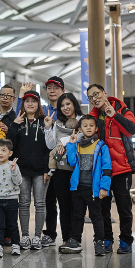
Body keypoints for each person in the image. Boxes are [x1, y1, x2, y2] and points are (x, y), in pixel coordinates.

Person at [87, 83, 135, 254]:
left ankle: (126, 240)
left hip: (122, 168)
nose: (94, 98)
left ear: (104, 93)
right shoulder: (92, 118)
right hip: (102, 171)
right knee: (103, 209)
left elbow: (131, 131)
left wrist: (114, 115)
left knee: (124, 208)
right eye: (90, 97)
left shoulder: (123, 111)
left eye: (96, 94)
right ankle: (106, 239)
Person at [59, 116, 112, 256]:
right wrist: (70, 144)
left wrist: (104, 188)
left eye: (91, 125)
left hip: (93, 189)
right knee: (77, 215)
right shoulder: (77, 145)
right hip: (78, 188)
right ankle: (75, 241)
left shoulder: (101, 146)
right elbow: (71, 162)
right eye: (85, 126)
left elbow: (107, 168)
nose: (88, 128)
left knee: (96, 216)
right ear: (80, 129)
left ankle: (100, 242)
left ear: (96, 128)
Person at [7, 90, 50, 251]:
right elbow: (10, 145)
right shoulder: (18, 122)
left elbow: (48, 148)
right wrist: (14, 125)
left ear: (38, 104)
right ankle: (25, 236)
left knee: (40, 204)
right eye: (27, 101)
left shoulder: (44, 121)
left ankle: (37, 237)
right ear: (23, 104)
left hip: (40, 171)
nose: (30, 103)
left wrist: (47, 169)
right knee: (23, 203)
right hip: (22, 171)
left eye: (34, 101)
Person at [42, 93, 84, 247]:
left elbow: (85, 139)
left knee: (77, 205)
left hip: (78, 169)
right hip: (60, 170)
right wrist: (48, 128)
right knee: (64, 205)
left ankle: (76, 238)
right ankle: (66, 239)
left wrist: (67, 142)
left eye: (68, 104)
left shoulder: (82, 120)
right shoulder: (57, 122)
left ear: (74, 104)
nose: (65, 108)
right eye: (62, 105)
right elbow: (50, 144)